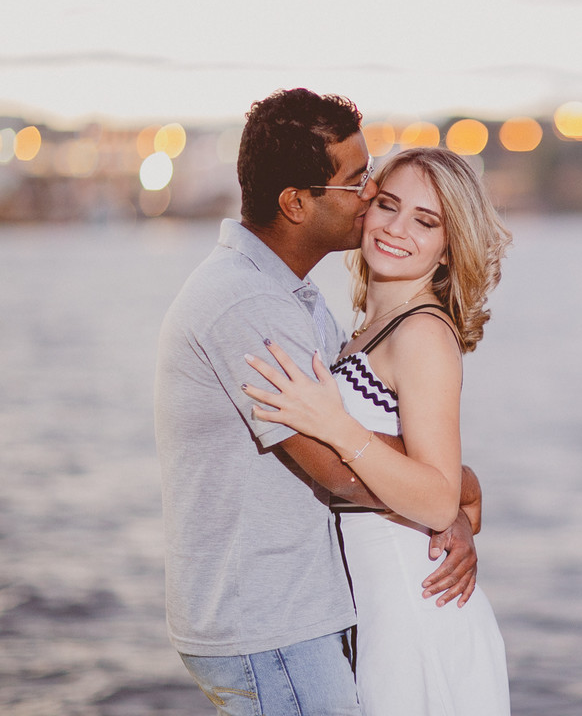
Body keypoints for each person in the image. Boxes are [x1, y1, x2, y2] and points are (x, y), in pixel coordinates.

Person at [154, 89, 482, 716]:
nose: (369, 200)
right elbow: (336, 468)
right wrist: (453, 492)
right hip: (270, 621)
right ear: (296, 203)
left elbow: (362, 438)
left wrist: (450, 490)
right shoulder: (247, 305)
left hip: (298, 612)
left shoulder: (292, 300)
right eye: (360, 183)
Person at [242, 147, 512, 715]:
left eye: (425, 220)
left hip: (417, 615)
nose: (396, 228)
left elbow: (437, 500)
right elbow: (448, 490)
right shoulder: (363, 333)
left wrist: (338, 428)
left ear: (447, 248)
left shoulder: (422, 335)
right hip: (382, 613)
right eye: (387, 205)